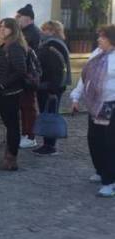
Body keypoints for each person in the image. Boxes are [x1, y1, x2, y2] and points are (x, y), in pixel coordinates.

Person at [70, 25, 115, 198]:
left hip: (110, 104)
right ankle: (100, 169)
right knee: (94, 139)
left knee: (109, 142)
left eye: (102, 37)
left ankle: (109, 181)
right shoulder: (96, 54)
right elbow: (85, 77)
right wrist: (75, 97)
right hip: (95, 104)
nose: (99, 40)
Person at [0, 18, 28, 171]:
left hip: (11, 92)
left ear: (13, 30)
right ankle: (8, 158)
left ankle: (11, 159)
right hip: (3, 92)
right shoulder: (4, 45)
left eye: (6, 27)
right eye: (0, 27)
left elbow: (20, 70)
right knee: (9, 126)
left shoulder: (14, 47)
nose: (2, 30)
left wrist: (3, 83)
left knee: (12, 126)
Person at [33, 20, 71, 156]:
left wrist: (52, 90)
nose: (42, 32)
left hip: (51, 87)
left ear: (52, 31)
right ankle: (47, 143)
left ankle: (50, 146)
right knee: (46, 113)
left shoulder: (54, 45)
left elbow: (57, 70)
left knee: (50, 114)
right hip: (46, 86)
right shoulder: (48, 44)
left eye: (45, 30)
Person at [16, 4, 41, 149]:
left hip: (29, 75)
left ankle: (31, 136)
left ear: (28, 18)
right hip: (24, 74)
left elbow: (29, 53)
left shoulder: (32, 33)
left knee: (29, 106)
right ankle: (25, 133)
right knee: (23, 106)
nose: (17, 19)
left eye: (19, 17)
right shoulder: (24, 31)